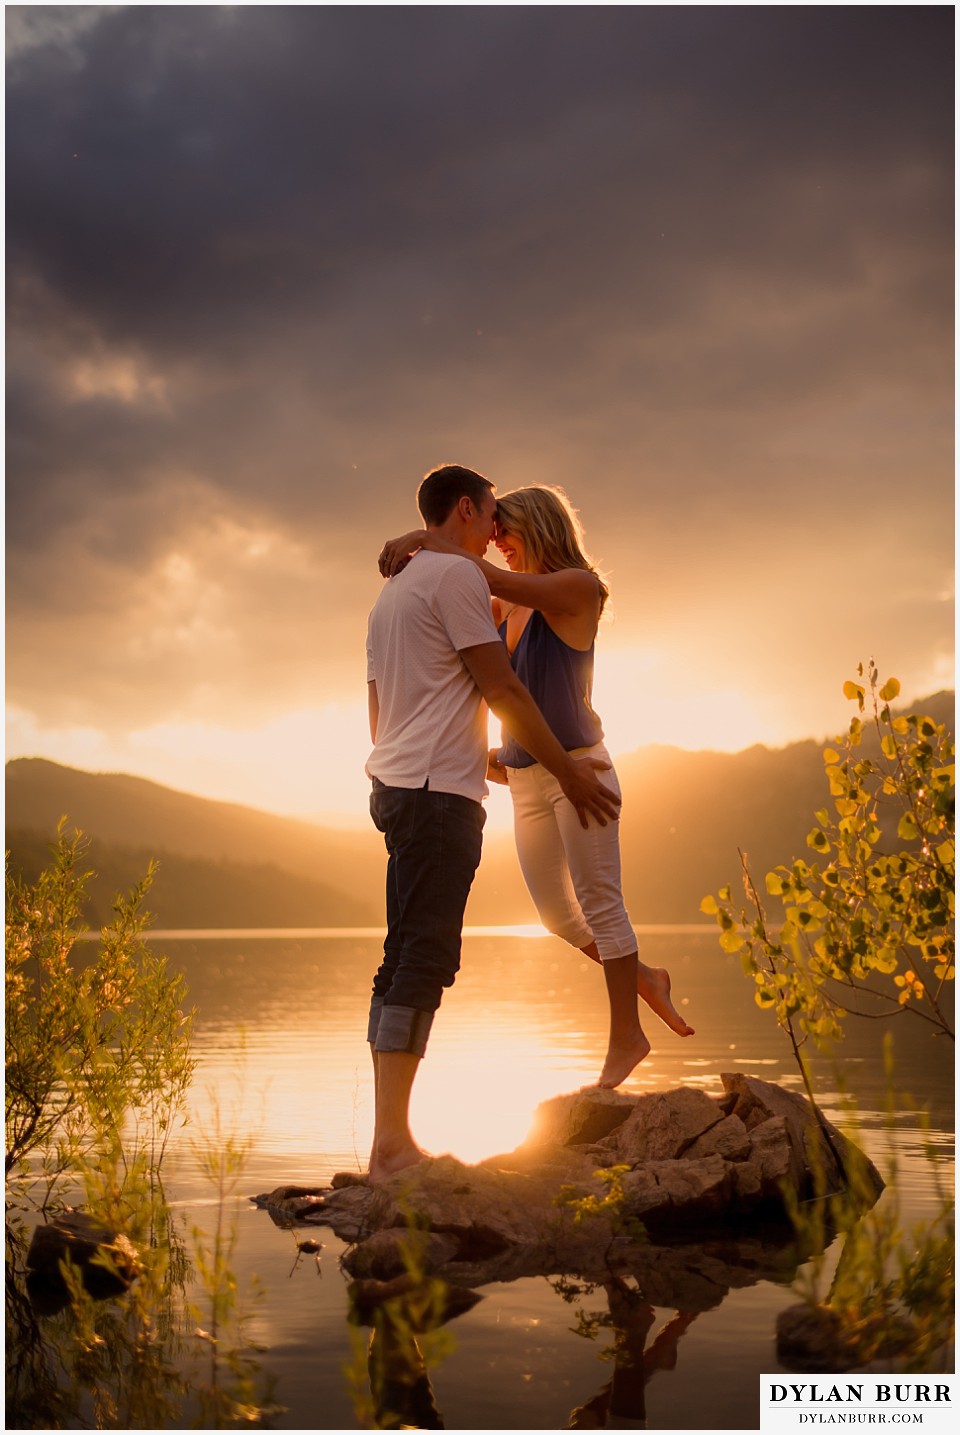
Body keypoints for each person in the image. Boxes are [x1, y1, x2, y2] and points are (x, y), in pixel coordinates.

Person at [378, 484, 694, 1093]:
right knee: (555, 916)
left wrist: (427, 540)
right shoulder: (507, 607)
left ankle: (626, 1037)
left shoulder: (576, 587)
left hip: (580, 771)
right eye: (492, 532)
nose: (495, 541)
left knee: (602, 904)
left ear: (538, 526)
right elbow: (497, 685)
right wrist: (496, 755)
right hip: (527, 779)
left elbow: (502, 585)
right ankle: (646, 978)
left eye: (504, 530)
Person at [365, 465, 621, 1183]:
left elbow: (382, 705)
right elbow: (501, 684)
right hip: (438, 795)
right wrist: (567, 771)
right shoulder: (454, 580)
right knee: (423, 959)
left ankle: (388, 1136)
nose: (494, 534)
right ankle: (391, 1146)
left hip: (395, 783)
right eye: (489, 519)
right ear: (469, 509)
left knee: (400, 957)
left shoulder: (393, 591)